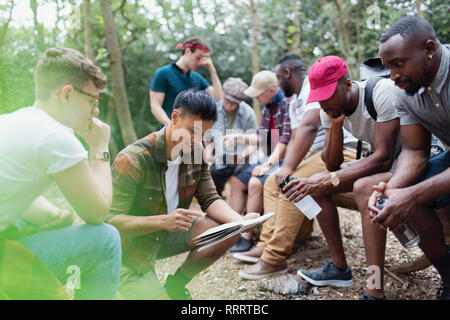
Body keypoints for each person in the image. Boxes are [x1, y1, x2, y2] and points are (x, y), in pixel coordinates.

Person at [108, 89, 259, 300]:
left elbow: (211, 198)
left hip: (165, 233)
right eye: (192, 131)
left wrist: (241, 222)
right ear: (174, 117)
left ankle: (176, 285)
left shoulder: (195, 152)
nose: (197, 139)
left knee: (229, 230)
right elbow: (110, 222)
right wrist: (163, 221)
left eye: (204, 134)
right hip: (131, 251)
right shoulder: (133, 159)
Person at [0, 47, 122, 299]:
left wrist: (54, 215)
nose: (95, 111)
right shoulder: (56, 137)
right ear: (66, 94)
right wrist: (99, 147)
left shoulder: (11, 121)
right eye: (92, 101)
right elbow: (97, 213)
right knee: (106, 239)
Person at [353, 16, 450, 300]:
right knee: (404, 195)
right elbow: (414, 151)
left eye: (398, 64)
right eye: (388, 67)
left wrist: (412, 194)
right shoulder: (404, 90)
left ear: (429, 48)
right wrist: (394, 190)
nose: (392, 76)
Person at [284, 55, 400, 289]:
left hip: (407, 162)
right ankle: (338, 269)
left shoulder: (381, 92)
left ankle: (374, 288)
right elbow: (332, 164)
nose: (323, 103)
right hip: (384, 164)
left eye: (327, 95)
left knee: (362, 187)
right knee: (314, 184)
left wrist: (328, 180)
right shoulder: (328, 110)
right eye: (318, 98)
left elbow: (383, 158)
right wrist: (335, 126)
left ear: (347, 84)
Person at [224, 70, 292, 253]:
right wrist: (240, 137)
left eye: (258, 93)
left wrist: (267, 165)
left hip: (284, 161)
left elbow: (286, 140)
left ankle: (247, 235)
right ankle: (232, 229)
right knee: (238, 180)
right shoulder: (267, 107)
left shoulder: (286, 105)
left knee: (255, 183)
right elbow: (261, 138)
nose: (256, 98)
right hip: (269, 159)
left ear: (271, 90)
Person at [149, 37, 223, 126]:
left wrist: (212, 70)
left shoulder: (197, 78)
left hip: (193, 136)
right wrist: (172, 128)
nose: (200, 63)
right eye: (198, 58)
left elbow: (218, 98)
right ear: (188, 52)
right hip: (169, 135)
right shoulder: (163, 73)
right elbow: (155, 106)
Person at [204, 77, 259, 197]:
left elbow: (253, 141)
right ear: (223, 94)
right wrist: (209, 154)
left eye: (234, 103)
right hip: (219, 157)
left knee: (250, 176)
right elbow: (207, 136)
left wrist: (243, 156)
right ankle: (215, 203)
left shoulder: (248, 113)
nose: (229, 105)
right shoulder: (213, 109)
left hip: (242, 158)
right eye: (227, 101)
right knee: (212, 175)